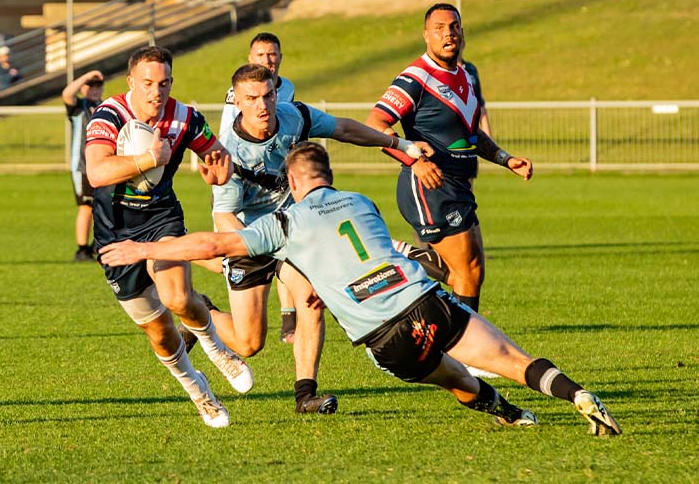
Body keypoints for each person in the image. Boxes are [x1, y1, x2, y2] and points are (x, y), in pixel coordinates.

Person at [100, 142, 622, 436]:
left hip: (387, 338)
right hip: (423, 301)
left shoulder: (286, 222)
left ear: (295, 183)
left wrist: (142, 249)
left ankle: (505, 412)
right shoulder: (361, 202)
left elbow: (214, 243)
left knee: (450, 377)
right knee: (510, 357)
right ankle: (576, 394)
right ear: (328, 174)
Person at [202, 63, 433, 414]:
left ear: (276, 93)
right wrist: (251, 246)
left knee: (310, 299)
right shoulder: (228, 151)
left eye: (268, 95)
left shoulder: (295, 116)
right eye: (251, 99)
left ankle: (305, 395)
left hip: (293, 228)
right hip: (250, 234)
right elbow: (224, 216)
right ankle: (201, 314)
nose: (262, 105)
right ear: (237, 102)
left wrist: (400, 143)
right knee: (248, 343)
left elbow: (343, 129)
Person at [85, 46, 253, 428]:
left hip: (161, 218)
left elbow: (218, 154)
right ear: (131, 82)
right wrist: (150, 159)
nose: (155, 92)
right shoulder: (108, 115)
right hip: (114, 231)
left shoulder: (185, 117)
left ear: (171, 83)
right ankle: (198, 390)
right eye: (147, 83)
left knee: (176, 297)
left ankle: (217, 349)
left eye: (163, 84)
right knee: (159, 331)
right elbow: (96, 172)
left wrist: (219, 172)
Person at [366, 3, 533, 316]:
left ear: (462, 33)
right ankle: (468, 343)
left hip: (459, 185)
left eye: (454, 27)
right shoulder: (415, 77)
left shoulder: (465, 76)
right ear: (426, 35)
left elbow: (470, 133)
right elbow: (375, 124)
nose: (448, 34)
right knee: (466, 272)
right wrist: (415, 160)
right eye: (439, 28)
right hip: (430, 185)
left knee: (472, 272)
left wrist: (504, 158)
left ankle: (400, 255)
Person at [216, 32, 298, 343]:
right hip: (240, 189)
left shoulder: (287, 88)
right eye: (261, 55)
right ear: (250, 58)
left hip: (279, 189)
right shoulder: (236, 94)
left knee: (290, 254)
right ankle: (201, 306)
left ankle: (290, 320)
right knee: (249, 341)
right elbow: (229, 139)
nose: (268, 60)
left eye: (273, 54)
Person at [62, 70, 105, 262]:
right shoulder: (80, 107)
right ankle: (82, 249)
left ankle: (98, 243)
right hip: (83, 166)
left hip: (103, 164)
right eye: (90, 85)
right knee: (86, 206)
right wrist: (87, 76)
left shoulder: (106, 107)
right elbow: (67, 94)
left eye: (98, 85)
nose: (94, 89)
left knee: (103, 205)